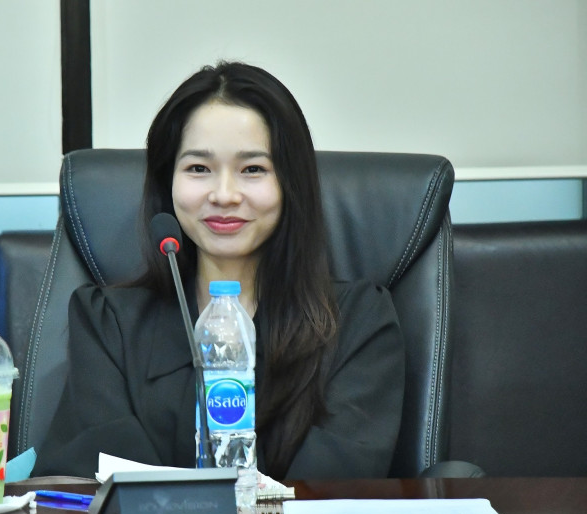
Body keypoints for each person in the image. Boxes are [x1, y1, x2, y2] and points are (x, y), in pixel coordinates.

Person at [34, 61, 405, 481]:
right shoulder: (109, 324)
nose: (224, 195)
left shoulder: (357, 322)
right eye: (198, 168)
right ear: (168, 182)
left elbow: (335, 486)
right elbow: (98, 478)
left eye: (253, 169)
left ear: (291, 183)